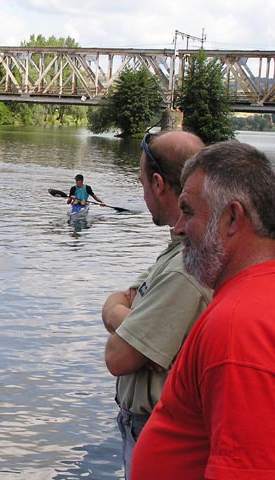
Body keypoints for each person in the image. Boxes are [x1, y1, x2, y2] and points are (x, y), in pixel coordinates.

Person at [131, 141, 275, 479]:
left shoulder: (238, 327)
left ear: (232, 218)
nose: (179, 227)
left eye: (189, 211)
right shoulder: (254, 296)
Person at [101, 131, 212, 479]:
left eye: (141, 183)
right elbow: (126, 297)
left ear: (159, 183)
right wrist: (127, 314)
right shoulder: (179, 246)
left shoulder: (187, 267)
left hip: (156, 432)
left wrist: (117, 315)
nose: (142, 192)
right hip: (145, 426)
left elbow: (118, 357)